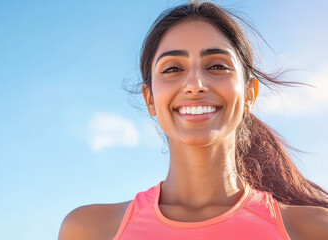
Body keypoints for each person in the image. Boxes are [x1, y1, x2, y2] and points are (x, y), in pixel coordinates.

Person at [58, 1, 328, 239]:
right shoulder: (88, 230)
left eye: (216, 66)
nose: (195, 85)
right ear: (149, 98)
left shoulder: (314, 230)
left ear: (249, 94)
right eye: (173, 68)